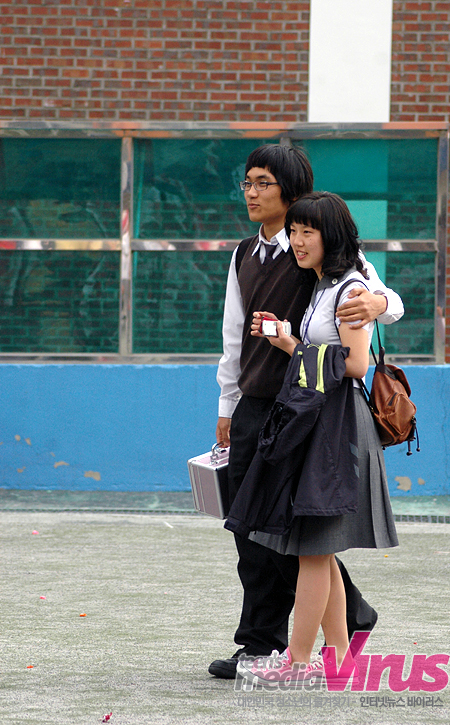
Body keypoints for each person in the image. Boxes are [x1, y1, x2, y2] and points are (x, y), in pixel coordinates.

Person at [208, 145, 404, 679]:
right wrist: (227, 403)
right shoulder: (245, 254)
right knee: (252, 529)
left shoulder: (325, 251)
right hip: (256, 406)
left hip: (306, 410)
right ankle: (332, 627)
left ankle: (270, 646)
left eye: (262, 183)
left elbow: (381, 296)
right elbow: (232, 336)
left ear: (291, 194)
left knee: (293, 534)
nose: (250, 192)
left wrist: (380, 305)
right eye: (246, 182)